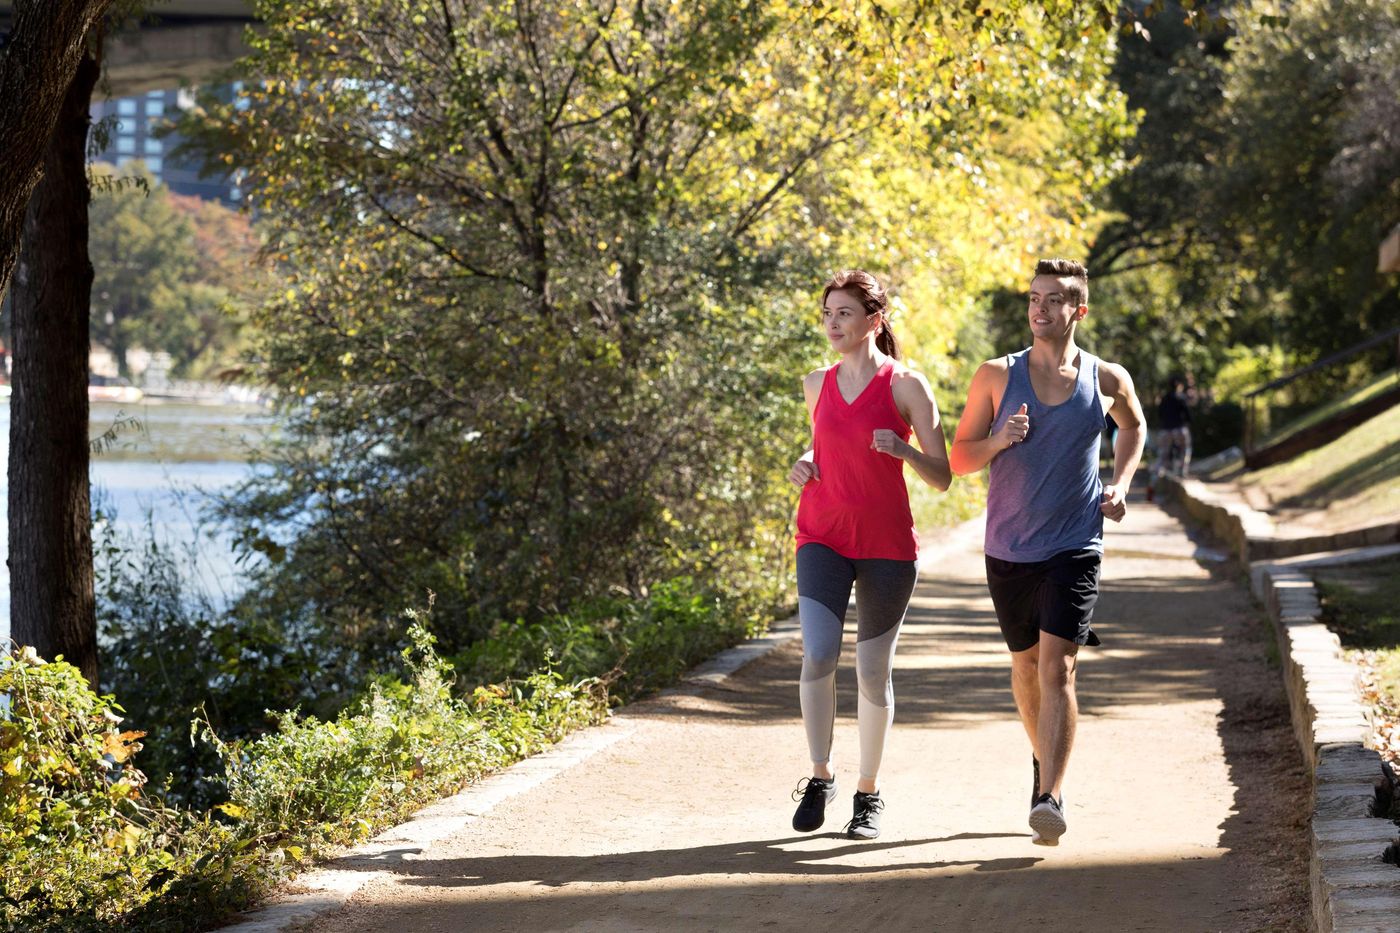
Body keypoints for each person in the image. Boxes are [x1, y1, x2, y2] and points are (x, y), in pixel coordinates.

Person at [949, 258, 1145, 846]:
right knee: (1026, 666)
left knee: (1059, 667)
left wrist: (1121, 483)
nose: (1039, 309)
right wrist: (1000, 439)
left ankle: (1050, 796)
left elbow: (1132, 428)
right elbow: (958, 459)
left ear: (1077, 310)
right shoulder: (994, 376)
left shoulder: (1105, 378)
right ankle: (1044, 761)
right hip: (1008, 545)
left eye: (1053, 300)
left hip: (1075, 543)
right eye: (1034, 298)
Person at [787, 270, 952, 840]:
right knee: (818, 654)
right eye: (828, 313)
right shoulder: (816, 383)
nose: (833, 323)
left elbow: (944, 477)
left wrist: (904, 449)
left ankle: (867, 794)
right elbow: (825, 440)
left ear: (873, 321)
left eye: (844, 314)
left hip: (886, 546)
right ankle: (819, 776)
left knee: (872, 669)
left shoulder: (907, 386)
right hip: (822, 537)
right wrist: (804, 462)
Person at [1146, 375, 1193, 501]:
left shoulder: (1164, 399)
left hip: (1165, 430)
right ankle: (1182, 473)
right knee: (1185, 450)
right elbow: (1188, 415)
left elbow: (1160, 414)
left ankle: (1152, 484)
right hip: (1179, 429)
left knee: (1161, 458)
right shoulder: (1181, 397)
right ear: (1178, 385)